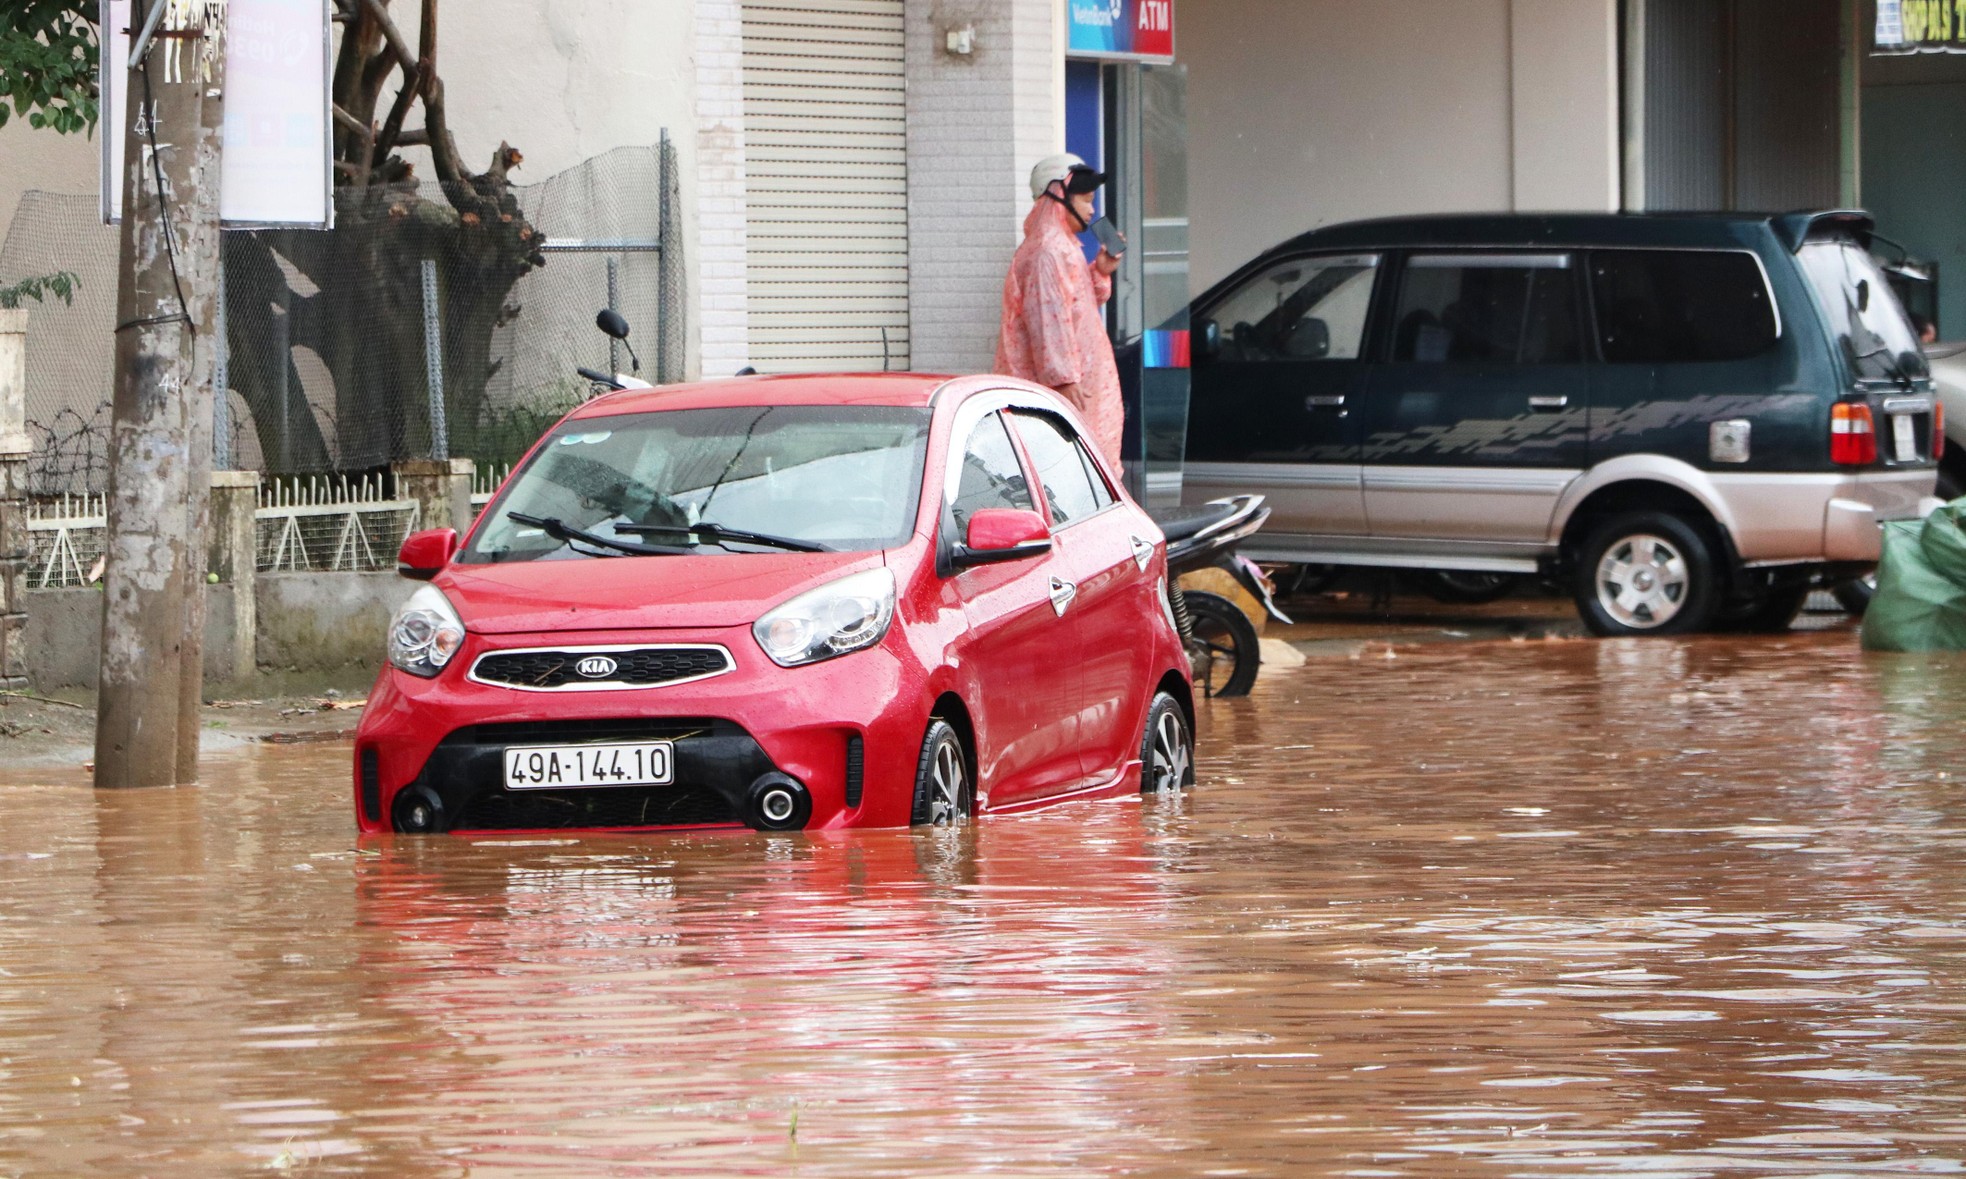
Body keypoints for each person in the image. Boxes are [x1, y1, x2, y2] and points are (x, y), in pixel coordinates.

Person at [994, 153, 1125, 467]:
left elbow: (1077, 308)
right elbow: (1049, 323)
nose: (1092, 209)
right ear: (1058, 194)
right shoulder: (1047, 252)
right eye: (1086, 199)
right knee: (1074, 479)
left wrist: (1101, 271)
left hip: (1081, 393)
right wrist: (1064, 383)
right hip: (1068, 400)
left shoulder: (1063, 247)